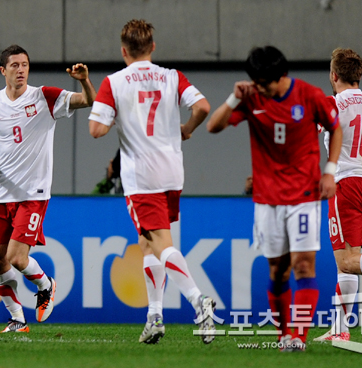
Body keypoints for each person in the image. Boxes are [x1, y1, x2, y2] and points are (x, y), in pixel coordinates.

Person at [0, 44, 96, 333]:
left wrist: (85, 80)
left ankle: (46, 284)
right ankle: (17, 319)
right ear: (3, 70)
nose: (21, 70)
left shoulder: (44, 97)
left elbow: (89, 101)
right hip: (1, 192)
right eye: (14, 65)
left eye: (25, 64)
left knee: (16, 258)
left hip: (33, 193)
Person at [206, 46, 343, 351]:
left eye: (264, 83)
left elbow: (336, 128)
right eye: (256, 83)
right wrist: (233, 98)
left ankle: (298, 336)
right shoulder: (251, 97)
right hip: (267, 200)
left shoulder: (309, 95)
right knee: (276, 270)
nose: (261, 89)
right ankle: (283, 334)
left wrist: (330, 171)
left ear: (282, 76)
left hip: (304, 195)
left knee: (304, 266)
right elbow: (212, 126)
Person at [88, 19, 215, 345]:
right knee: (149, 244)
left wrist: (115, 115)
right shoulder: (172, 76)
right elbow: (202, 106)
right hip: (172, 172)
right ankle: (154, 316)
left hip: (141, 176)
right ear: (152, 47)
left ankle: (200, 302)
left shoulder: (114, 82)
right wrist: (187, 129)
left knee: (160, 243)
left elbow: (96, 130)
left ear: (123, 51)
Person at [313, 48, 362, 342]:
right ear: (359, 75)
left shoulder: (331, 104)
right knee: (348, 260)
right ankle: (340, 329)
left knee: (347, 261)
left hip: (347, 186)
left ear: (333, 76)